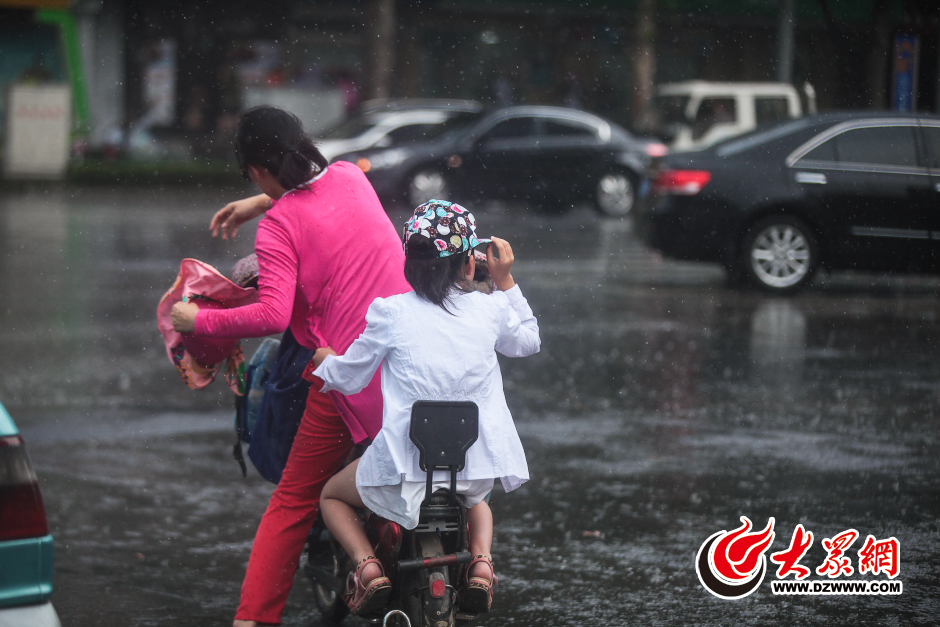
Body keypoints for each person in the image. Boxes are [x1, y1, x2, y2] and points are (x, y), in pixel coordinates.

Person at [170, 105, 412, 627]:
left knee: (294, 501)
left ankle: (254, 618)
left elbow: (273, 314)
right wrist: (258, 199)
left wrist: (197, 321)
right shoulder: (350, 177)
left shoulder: (281, 224)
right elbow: (318, 184)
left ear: (256, 169)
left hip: (352, 372)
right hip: (415, 363)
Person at [308, 200, 540, 615]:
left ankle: (367, 568)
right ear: (470, 265)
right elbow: (527, 342)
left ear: (410, 265)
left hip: (402, 465)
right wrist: (505, 281)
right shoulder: (490, 309)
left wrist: (325, 361)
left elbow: (350, 376)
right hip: (472, 462)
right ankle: (482, 562)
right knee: (478, 502)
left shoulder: (391, 312)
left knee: (331, 497)